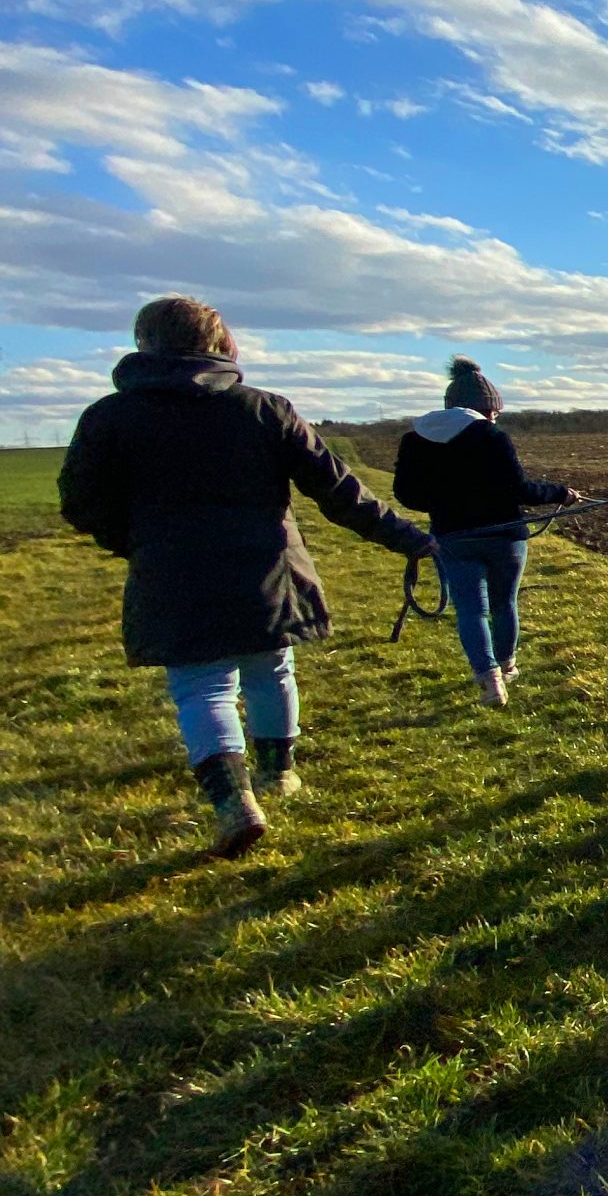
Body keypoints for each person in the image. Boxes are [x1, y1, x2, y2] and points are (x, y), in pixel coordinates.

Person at [57, 296, 435, 856]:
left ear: (146, 343)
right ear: (218, 342)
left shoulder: (109, 417)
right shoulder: (264, 409)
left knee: (202, 687)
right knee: (271, 670)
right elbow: (338, 491)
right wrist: (410, 539)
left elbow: (80, 502)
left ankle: (233, 800)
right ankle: (278, 773)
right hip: (267, 573)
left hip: (173, 574)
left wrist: (137, 543)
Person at [392, 358, 578, 708]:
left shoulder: (415, 440)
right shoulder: (492, 437)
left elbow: (406, 494)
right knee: (504, 604)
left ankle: (489, 680)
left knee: (471, 611)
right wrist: (561, 494)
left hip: (453, 537)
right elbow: (520, 490)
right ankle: (507, 667)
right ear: (486, 408)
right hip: (505, 537)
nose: (496, 416)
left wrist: (443, 505)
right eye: (495, 410)